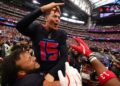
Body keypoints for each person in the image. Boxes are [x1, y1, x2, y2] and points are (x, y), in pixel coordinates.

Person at [16, 2, 68, 82]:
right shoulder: (36, 28)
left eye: (59, 17)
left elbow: (64, 57)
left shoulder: (61, 34)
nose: (57, 19)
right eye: (54, 16)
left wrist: (52, 73)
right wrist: (42, 9)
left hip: (54, 73)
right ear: (46, 18)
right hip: (37, 71)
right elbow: (19, 26)